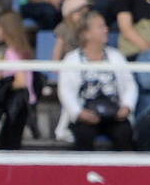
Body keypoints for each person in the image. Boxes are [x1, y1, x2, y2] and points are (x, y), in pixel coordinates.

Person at [57, 10, 137, 151]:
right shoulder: (71, 59)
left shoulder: (116, 56)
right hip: (85, 114)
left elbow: (129, 84)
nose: (106, 30)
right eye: (100, 27)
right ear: (86, 33)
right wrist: (79, 112)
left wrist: (126, 106)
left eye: (105, 26)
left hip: (114, 115)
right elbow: (65, 90)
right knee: (84, 134)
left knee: (124, 133)